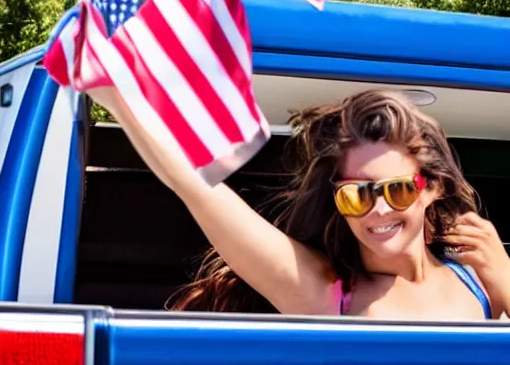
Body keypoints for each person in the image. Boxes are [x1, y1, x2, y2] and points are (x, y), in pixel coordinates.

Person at [89, 87, 510, 320]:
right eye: (355, 194)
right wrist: (115, 98)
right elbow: (198, 189)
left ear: (431, 187)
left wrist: (506, 280)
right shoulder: (328, 293)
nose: (377, 210)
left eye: (396, 190)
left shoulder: (479, 279)